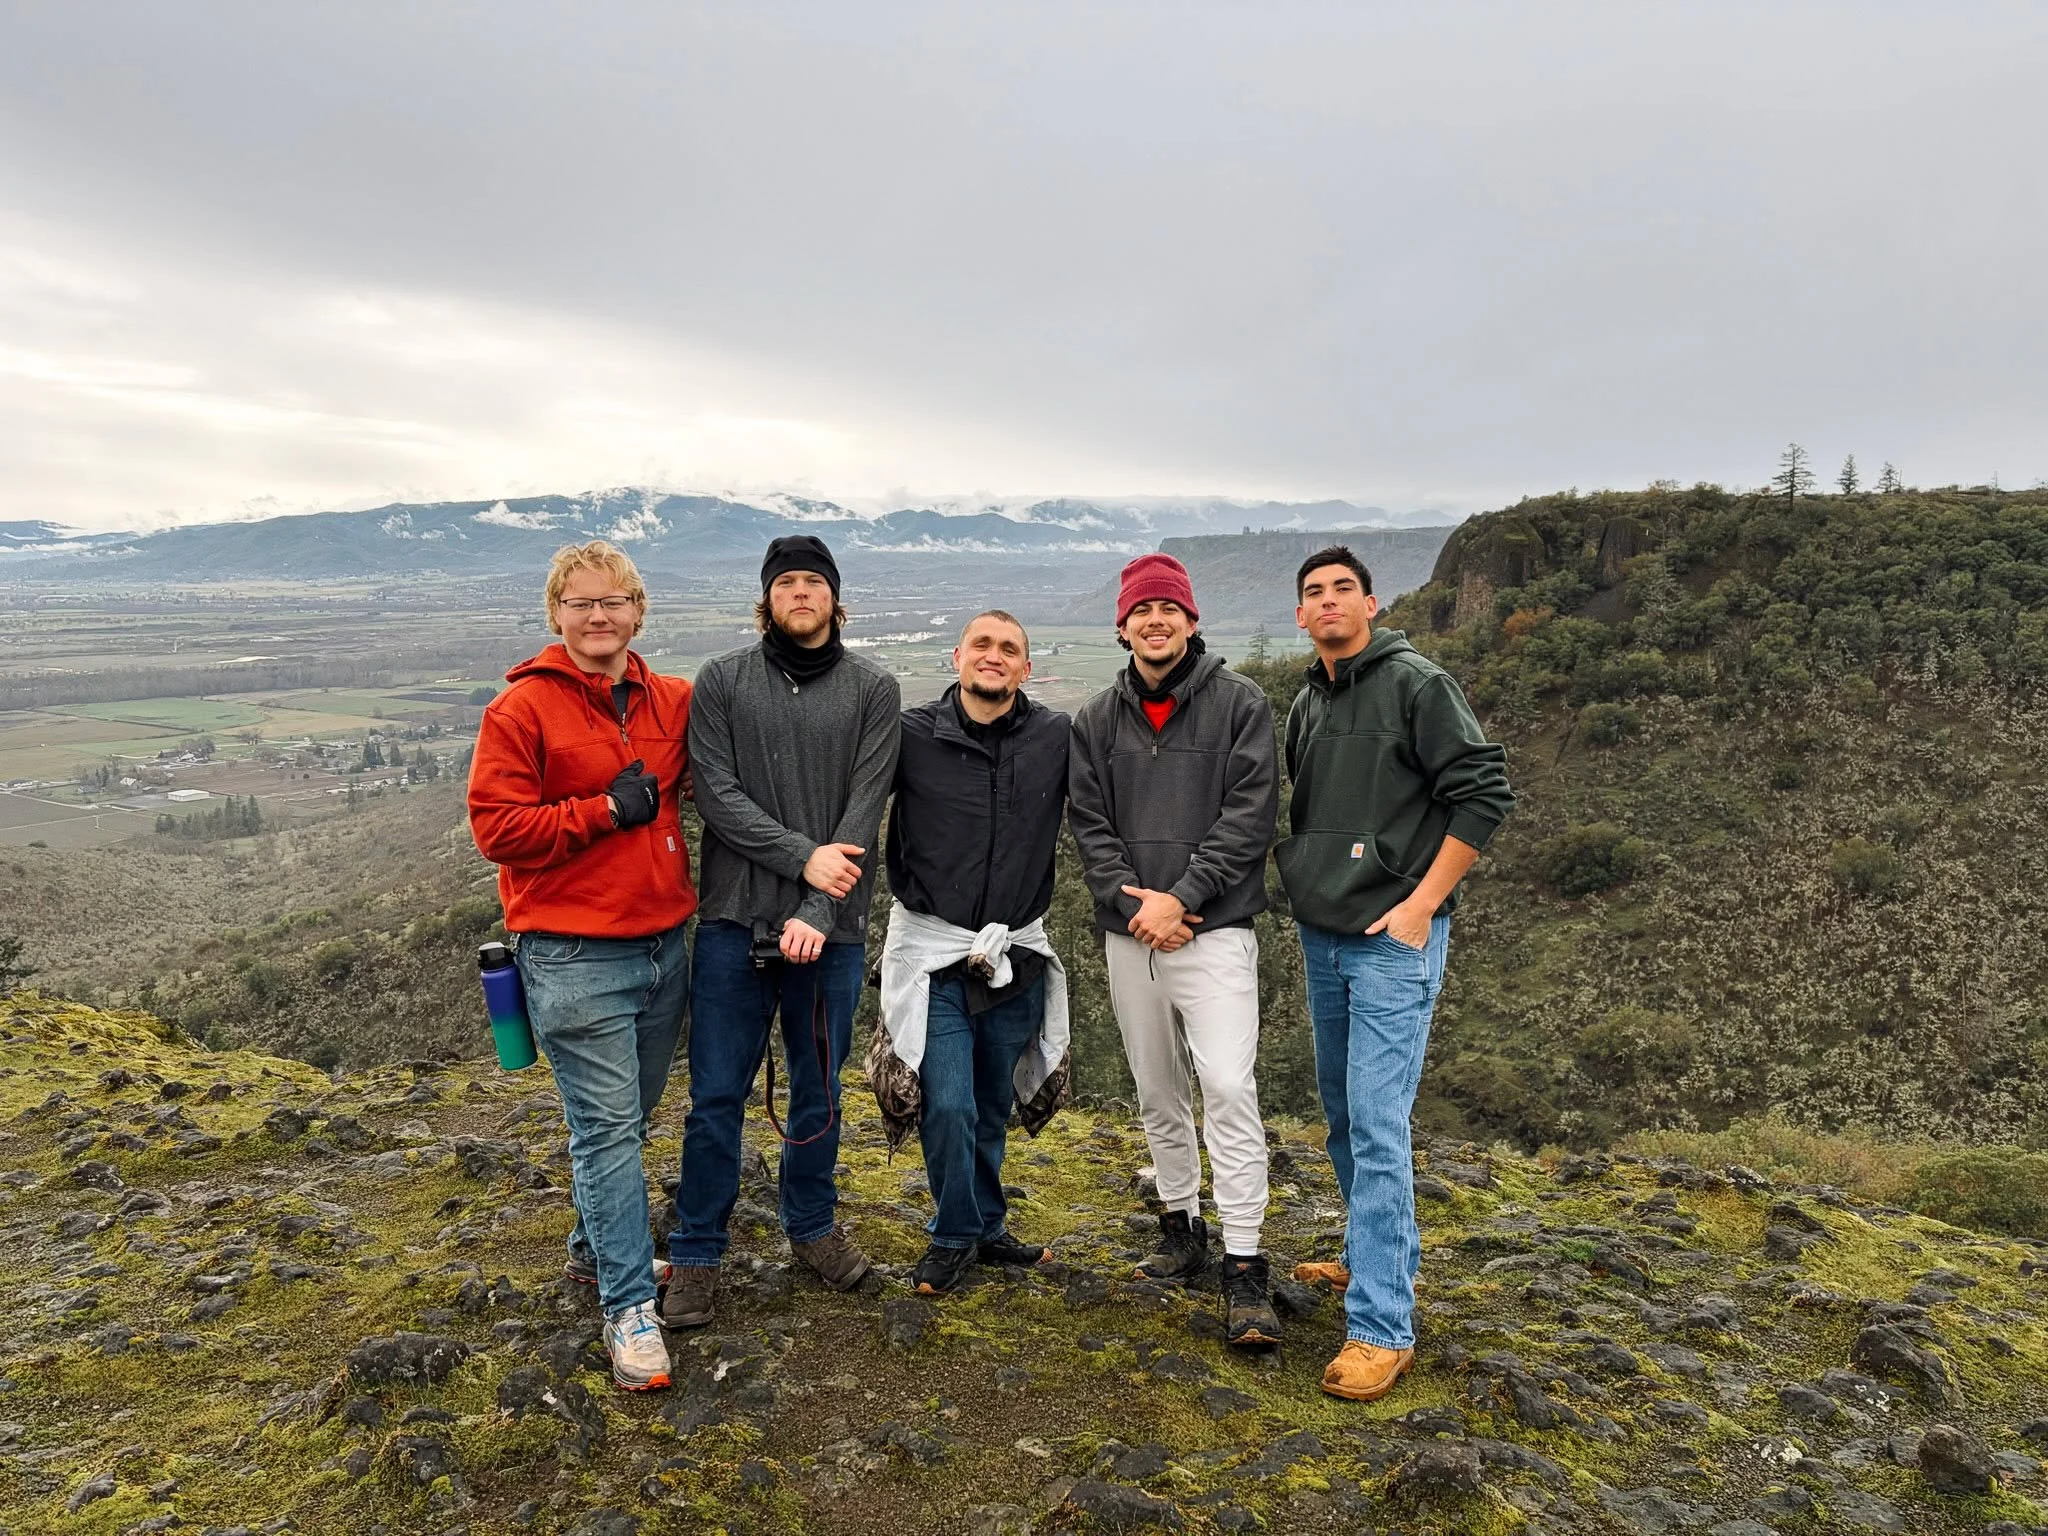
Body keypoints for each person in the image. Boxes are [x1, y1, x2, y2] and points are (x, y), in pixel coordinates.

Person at [1276, 545, 1514, 1402]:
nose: (1329, 600)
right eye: (1314, 592)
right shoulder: (1307, 698)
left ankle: (1383, 1326)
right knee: (1341, 1113)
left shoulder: (1418, 683)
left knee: (1378, 1123)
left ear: (1371, 605)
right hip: (1324, 931)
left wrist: (1422, 904)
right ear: (1300, 615)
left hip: (1392, 939)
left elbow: (1484, 791)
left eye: (1344, 588)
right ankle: (1364, 1259)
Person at [467, 539, 695, 1392]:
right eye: (581, 604)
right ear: (556, 615)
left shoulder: (672, 699)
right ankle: (630, 1307)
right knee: (605, 1132)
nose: (599, 617)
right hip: (571, 955)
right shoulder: (520, 711)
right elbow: (496, 829)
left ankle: (593, 1250)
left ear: (638, 611)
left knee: (626, 1124)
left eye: (614, 602)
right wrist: (602, 810)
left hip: (663, 947)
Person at [664, 535, 901, 1328]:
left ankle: (812, 1227)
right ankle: (696, 1250)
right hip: (733, 920)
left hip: (830, 934)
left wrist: (819, 911)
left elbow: (864, 813)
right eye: (786, 583)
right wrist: (805, 862)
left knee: (819, 1093)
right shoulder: (723, 682)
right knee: (715, 1097)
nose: (801, 594)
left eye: (814, 583)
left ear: (836, 597)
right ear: (767, 599)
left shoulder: (875, 688)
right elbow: (719, 799)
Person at [1067, 552, 1283, 1347]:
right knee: (1158, 1088)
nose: (1154, 622)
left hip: (1214, 931)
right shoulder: (1094, 720)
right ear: (1121, 626)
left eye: (1169, 609)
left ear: (1192, 621)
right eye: (1140, 611)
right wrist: (1141, 908)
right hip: (1134, 935)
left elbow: (1249, 814)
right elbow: (1091, 828)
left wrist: (1181, 899)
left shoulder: (1240, 704)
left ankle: (1247, 1264)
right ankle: (1181, 1227)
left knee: (1227, 1085)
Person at [877, 611, 1072, 1296]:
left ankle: (986, 1224)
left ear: (1026, 666)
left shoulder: (1056, 737)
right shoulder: (909, 736)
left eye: (1009, 649)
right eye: (982, 645)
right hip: (934, 953)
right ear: (958, 656)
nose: (994, 657)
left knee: (992, 1101)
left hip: (1015, 950)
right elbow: (846, 801)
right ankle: (954, 1232)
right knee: (948, 1101)